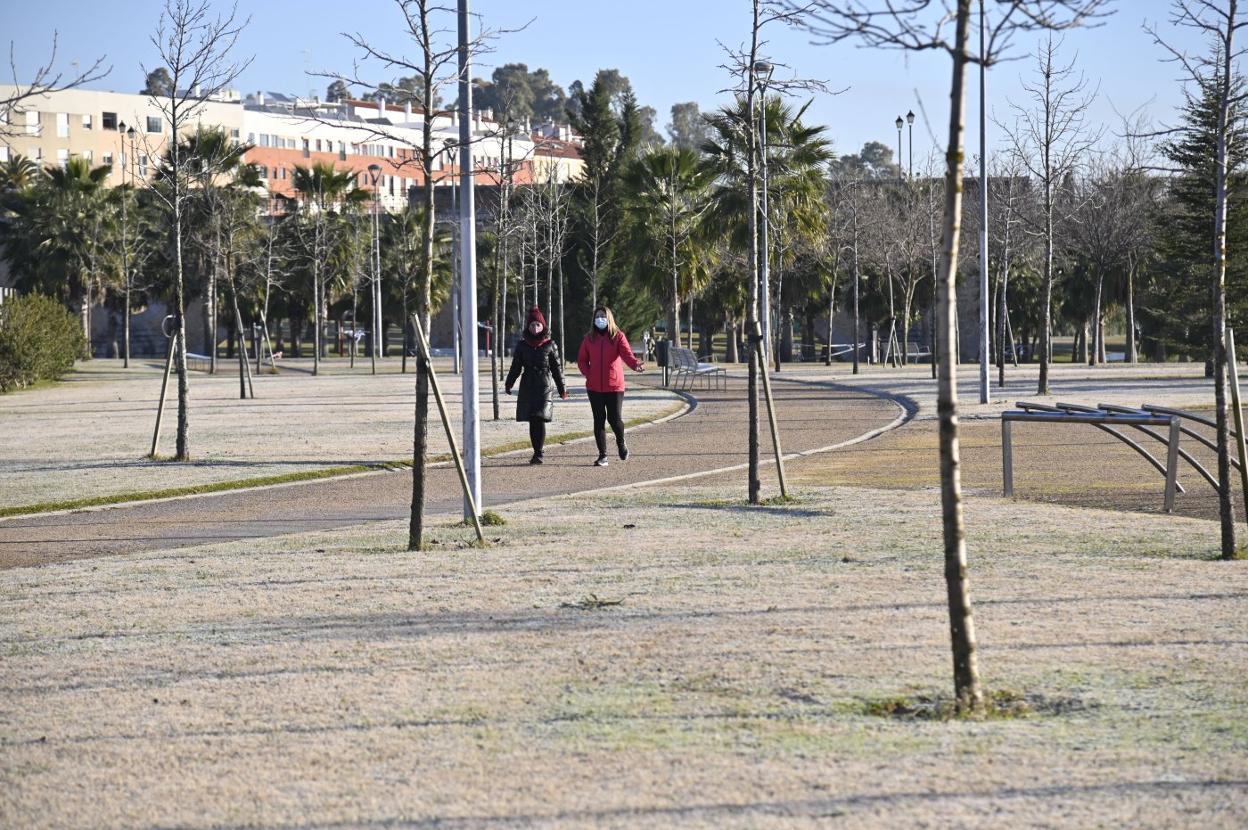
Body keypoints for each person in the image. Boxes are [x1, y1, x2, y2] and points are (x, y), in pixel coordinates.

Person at [576, 305, 645, 467]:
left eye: (603, 316)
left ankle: (621, 443)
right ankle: (603, 455)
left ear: (609, 318)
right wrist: (588, 373)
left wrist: (635, 365)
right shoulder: (589, 338)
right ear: (594, 319)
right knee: (598, 420)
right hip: (594, 386)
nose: (600, 319)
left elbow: (627, 355)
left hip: (614, 385)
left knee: (614, 418)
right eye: (597, 316)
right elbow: (581, 360)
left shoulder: (618, 337)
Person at [505, 307, 567, 464]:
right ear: (528, 327)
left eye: (537, 325)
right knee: (532, 419)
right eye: (532, 325)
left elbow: (556, 368)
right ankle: (536, 451)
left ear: (543, 326)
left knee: (540, 418)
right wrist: (509, 382)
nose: (535, 328)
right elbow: (516, 366)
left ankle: (539, 452)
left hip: (544, 385)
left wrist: (562, 388)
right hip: (528, 385)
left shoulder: (550, 344)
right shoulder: (522, 345)